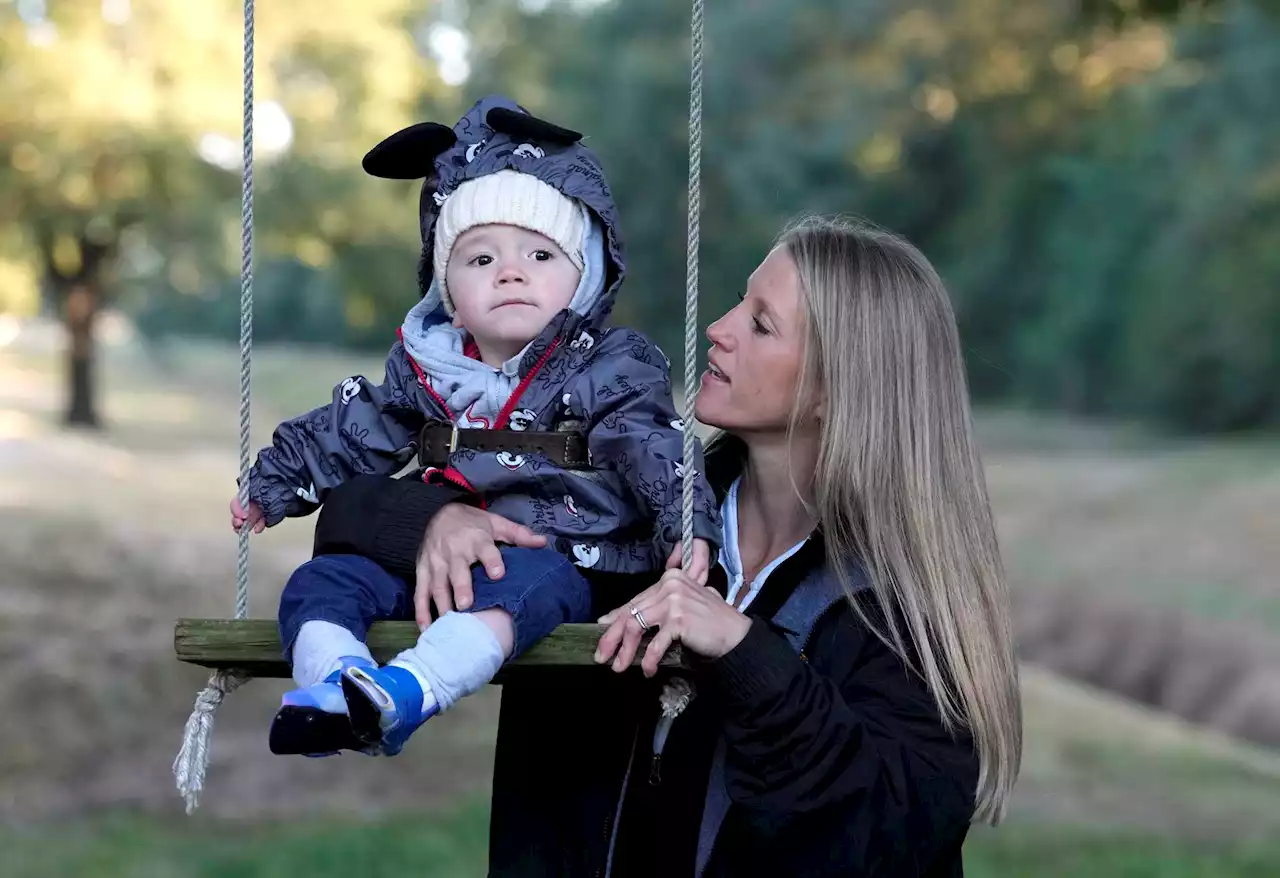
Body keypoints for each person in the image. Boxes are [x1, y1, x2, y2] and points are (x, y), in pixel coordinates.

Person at [313, 215, 1023, 876]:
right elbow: (343, 516)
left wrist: (744, 651)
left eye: (761, 324)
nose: (718, 329)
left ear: (833, 389)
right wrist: (434, 519)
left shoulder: (899, 605)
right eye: (738, 306)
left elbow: (893, 836)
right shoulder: (622, 504)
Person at [230, 94, 719, 758]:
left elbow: (654, 449)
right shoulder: (423, 368)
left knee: (520, 592)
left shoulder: (609, 368)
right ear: (449, 294)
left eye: (541, 257)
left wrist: (685, 529)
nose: (511, 271)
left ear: (583, 278)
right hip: (430, 565)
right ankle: (334, 683)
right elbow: (352, 430)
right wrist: (277, 480)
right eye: (481, 259)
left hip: (558, 561)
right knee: (322, 581)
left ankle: (409, 692)